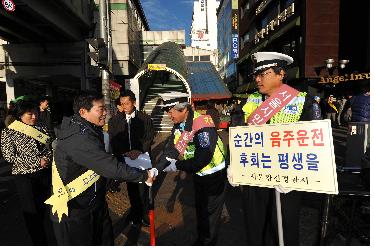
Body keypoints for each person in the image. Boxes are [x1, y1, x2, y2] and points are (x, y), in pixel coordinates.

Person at [227, 52, 322, 246]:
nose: (258, 79)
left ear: (281, 74)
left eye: (264, 73)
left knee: (284, 231)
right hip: (255, 179)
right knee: (255, 229)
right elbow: (237, 135)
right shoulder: (249, 102)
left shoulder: (304, 102)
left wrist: (297, 172)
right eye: (256, 74)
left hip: (287, 182)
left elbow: (315, 146)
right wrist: (233, 164)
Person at [50, 91, 157, 245]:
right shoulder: (79, 137)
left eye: (105, 108)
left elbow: (103, 159)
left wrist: (123, 158)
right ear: (83, 112)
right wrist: (143, 175)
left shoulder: (90, 129)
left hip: (94, 203)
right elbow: (109, 166)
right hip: (75, 210)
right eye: (101, 109)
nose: (105, 113)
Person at [155, 91, 227, 246]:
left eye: (171, 110)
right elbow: (171, 150)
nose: (169, 115)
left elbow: (203, 159)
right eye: (167, 111)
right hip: (199, 174)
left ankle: (207, 243)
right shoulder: (179, 125)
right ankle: (202, 240)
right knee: (201, 210)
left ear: (185, 109)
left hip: (214, 175)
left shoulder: (203, 124)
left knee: (211, 216)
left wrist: (177, 165)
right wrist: (157, 168)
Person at [1, 100, 53, 245]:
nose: (34, 116)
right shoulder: (9, 132)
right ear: (20, 115)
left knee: (43, 208)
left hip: (43, 174)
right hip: (24, 176)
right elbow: (9, 156)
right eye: (30, 114)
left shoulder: (41, 127)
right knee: (31, 211)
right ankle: (38, 241)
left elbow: (49, 148)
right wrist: (37, 161)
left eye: (35, 112)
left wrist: (46, 158)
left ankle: (43, 234)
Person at [108, 89, 155, 226]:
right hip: (126, 159)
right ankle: (135, 214)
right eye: (122, 104)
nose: (124, 106)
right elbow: (113, 139)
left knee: (143, 188)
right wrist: (125, 152)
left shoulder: (144, 119)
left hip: (141, 158)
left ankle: (144, 215)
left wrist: (139, 150)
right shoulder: (115, 120)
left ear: (133, 102)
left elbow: (149, 137)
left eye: (127, 103)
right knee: (131, 188)